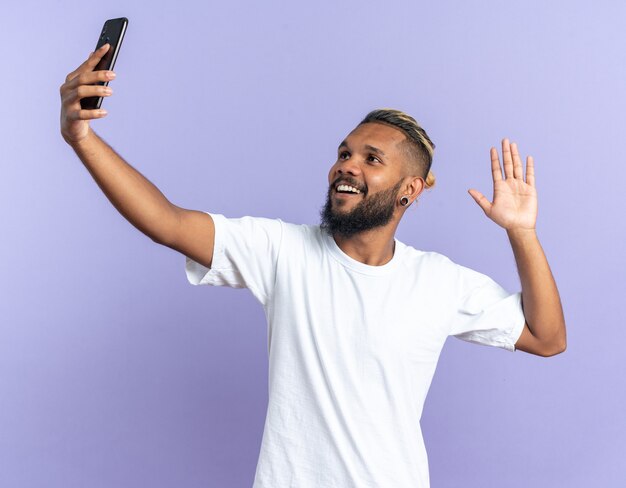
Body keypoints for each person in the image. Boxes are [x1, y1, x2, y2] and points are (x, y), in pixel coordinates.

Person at [60, 44, 567, 488]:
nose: (347, 164)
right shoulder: (282, 251)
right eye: (345, 153)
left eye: (372, 159)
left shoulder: (439, 282)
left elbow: (548, 338)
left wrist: (521, 232)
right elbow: (166, 222)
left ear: (408, 191)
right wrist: (83, 138)